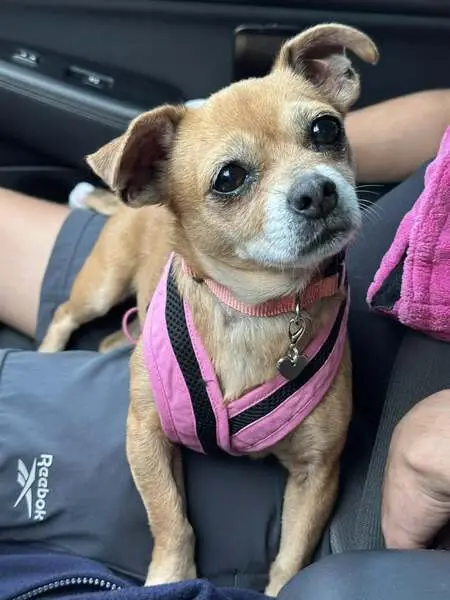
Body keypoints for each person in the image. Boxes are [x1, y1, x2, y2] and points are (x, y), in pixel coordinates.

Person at [1, 90, 450, 600]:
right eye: (231, 179)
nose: (311, 185)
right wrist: (172, 545)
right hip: (187, 287)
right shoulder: (158, 208)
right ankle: (62, 328)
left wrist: (284, 581)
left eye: (321, 133)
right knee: (87, 301)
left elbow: (315, 467)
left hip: (326, 345)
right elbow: (147, 432)